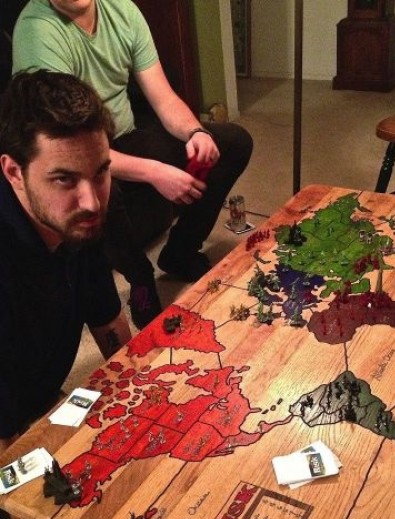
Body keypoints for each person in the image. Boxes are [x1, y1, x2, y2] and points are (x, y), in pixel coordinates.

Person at [12, 0, 253, 329]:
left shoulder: (121, 9)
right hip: (76, 153)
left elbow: (163, 97)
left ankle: (181, 252)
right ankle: (141, 280)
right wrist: (155, 172)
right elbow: (66, 149)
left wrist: (195, 132)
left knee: (233, 142)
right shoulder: (37, 31)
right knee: (98, 190)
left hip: (126, 135)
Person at [0, 69, 132, 453]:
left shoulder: (76, 217)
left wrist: (142, 391)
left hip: (35, 396)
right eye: (64, 179)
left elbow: (108, 321)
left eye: (101, 171)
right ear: (14, 173)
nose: (91, 201)